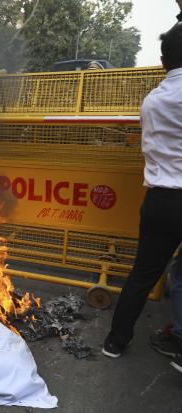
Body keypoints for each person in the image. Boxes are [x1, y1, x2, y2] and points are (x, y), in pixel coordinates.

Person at [102, 21, 182, 374]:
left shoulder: (152, 100)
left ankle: (115, 341)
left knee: (142, 275)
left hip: (161, 201)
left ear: (163, 62)